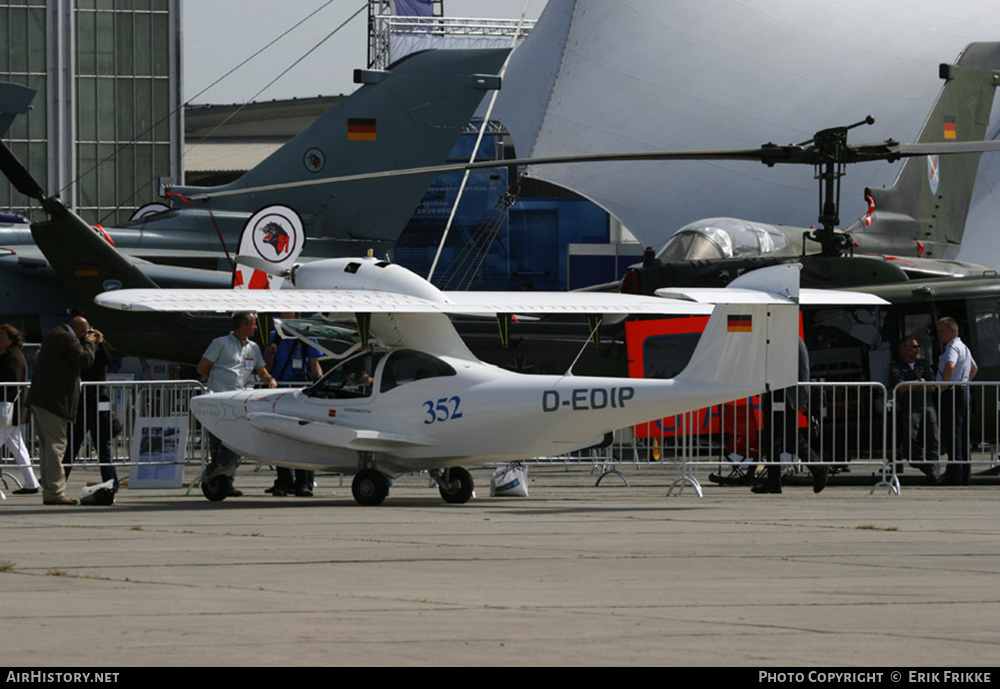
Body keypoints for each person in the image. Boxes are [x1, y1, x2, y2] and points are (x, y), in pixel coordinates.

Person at [196, 312, 277, 496]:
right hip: (219, 400)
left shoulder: (253, 348)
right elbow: (202, 368)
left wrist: (270, 379)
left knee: (235, 442)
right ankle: (217, 481)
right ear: (243, 325)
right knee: (217, 443)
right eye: (253, 324)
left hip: (239, 402)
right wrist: (218, 382)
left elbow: (261, 371)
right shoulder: (220, 343)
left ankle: (224, 479)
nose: (255, 328)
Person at [29, 316, 99, 505]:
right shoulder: (67, 338)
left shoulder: (55, 334)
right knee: (56, 446)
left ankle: (50, 486)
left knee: (47, 447)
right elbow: (84, 360)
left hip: (42, 399)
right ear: (81, 332)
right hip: (54, 402)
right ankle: (54, 492)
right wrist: (90, 344)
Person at [753, 338, 828, 494]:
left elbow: (803, 370)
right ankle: (773, 481)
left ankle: (818, 467)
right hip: (772, 394)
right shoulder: (769, 340)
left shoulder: (795, 340)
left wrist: (802, 398)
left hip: (786, 396)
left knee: (791, 438)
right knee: (770, 440)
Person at [264, 313, 323, 497]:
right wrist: (271, 353)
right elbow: (267, 366)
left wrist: (321, 384)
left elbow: (314, 364)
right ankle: (284, 481)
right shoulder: (275, 337)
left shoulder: (307, 337)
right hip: (282, 392)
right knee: (281, 437)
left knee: (303, 437)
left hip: (302, 392)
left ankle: (304, 482)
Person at [62, 338, 120, 491]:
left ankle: (111, 481)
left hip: (96, 401)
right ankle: (60, 480)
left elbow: (107, 359)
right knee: (74, 444)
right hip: (84, 402)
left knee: (101, 445)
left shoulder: (98, 353)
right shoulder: (83, 352)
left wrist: (99, 343)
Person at [890, 335, 939, 483]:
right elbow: (901, 388)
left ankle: (934, 471)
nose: (918, 349)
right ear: (904, 349)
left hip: (927, 403)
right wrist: (920, 382)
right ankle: (914, 459)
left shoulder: (923, 364)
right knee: (910, 434)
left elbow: (931, 387)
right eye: (914, 347)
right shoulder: (897, 367)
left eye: (918, 347)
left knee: (933, 436)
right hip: (910, 405)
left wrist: (914, 385)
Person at [936, 317, 978, 485]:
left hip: (953, 393)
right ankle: (964, 475)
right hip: (963, 391)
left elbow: (950, 366)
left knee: (953, 435)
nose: (939, 335)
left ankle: (955, 476)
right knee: (962, 435)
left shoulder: (952, 347)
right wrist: (964, 382)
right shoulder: (964, 348)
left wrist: (944, 386)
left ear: (952, 331)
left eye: (942, 331)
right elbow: (974, 368)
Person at [0, 324, 40, 495]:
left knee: (16, 445)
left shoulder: (13, 357)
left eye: (2, 337)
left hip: (6, 409)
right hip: (10, 411)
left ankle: (31, 483)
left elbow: (12, 386)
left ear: (11, 339)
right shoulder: (12, 355)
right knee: (18, 446)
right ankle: (31, 483)